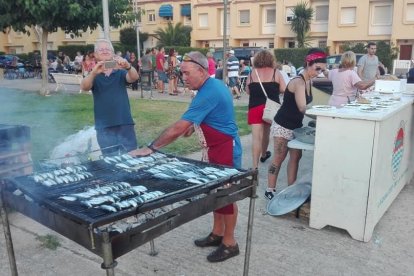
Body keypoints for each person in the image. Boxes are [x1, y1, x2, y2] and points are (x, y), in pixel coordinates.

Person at [130, 51, 242, 263]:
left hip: (225, 149)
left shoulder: (209, 92)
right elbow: (207, 117)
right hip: (214, 149)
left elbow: (179, 127)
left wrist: (152, 148)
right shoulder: (210, 87)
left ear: (201, 71)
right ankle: (217, 233)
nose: (184, 78)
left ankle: (230, 243)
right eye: (182, 73)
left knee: (226, 197)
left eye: (187, 73)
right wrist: (196, 125)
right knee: (215, 193)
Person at [266, 48, 327, 200]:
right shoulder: (299, 82)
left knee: (296, 157)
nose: (319, 72)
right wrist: (322, 115)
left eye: (322, 70)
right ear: (308, 63)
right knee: (279, 158)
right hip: (283, 125)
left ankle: (291, 188)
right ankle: (270, 189)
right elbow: (302, 107)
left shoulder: (308, 81)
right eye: (317, 68)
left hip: (296, 126)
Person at [80, 38, 139, 155]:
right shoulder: (94, 74)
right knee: (109, 160)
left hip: (124, 122)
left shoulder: (120, 71)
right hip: (104, 126)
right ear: (95, 54)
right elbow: (84, 87)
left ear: (112, 53)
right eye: (101, 49)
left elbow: (134, 78)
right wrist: (93, 73)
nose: (105, 51)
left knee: (132, 157)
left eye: (107, 49)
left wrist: (128, 67)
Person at [246, 50, 286, 170]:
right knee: (266, 134)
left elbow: (248, 91)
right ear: (271, 59)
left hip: (255, 107)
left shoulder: (252, 73)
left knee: (256, 137)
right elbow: (284, 89)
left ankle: (254, 167)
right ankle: (264, 154)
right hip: (271, 107)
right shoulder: (276, 73)